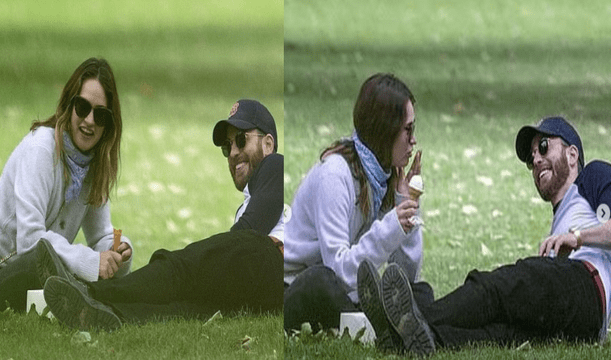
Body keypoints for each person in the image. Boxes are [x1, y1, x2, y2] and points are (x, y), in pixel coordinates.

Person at [360, 116, 611, 356]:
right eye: (531, 157)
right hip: (581, 324)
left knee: (494, 289)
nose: (536, 160)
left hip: (587, 287)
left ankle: (403, 323)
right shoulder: (561, 220)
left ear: (572, 154)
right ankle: (415, 338)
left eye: (543, 147)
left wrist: (577, 237)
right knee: (499, 333)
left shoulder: (594, 175)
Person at [43, 99, 284, 331]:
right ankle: (103, 311)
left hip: (272, 263)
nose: (233, 153)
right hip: (271, 292)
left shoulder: (275, 166)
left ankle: (88, 292)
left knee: (181, 269)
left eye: (241, 140)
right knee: (190, 308)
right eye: (227, 146)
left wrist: (205, 260)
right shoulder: (251, 203)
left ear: (268, 144)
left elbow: (250, 232)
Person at [0, 57, 133, 312]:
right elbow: (31, 243)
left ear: (109, 125)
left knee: (76, 278)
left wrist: (119, 253)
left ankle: (89, 304)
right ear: (69, 105)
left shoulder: (94, 165)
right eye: (82, 107)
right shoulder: (41, 149)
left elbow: (101, 235)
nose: (89, 121)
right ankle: (87, 305)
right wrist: (91, 262)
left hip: (37, 274)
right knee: (59, 271)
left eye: (100, 115)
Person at [283, 73, 432, 337]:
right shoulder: (335, 176)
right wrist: (391, 227)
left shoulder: (382, 177)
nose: (413, 141)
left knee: (420, 293)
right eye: (407, 129)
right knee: (321, 280)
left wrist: (405, 204)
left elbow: (406, 276)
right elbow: (339, 273)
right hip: (295, 289)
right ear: (385, 131)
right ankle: (384, 335)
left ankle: (391, 333)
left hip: (346, 292)